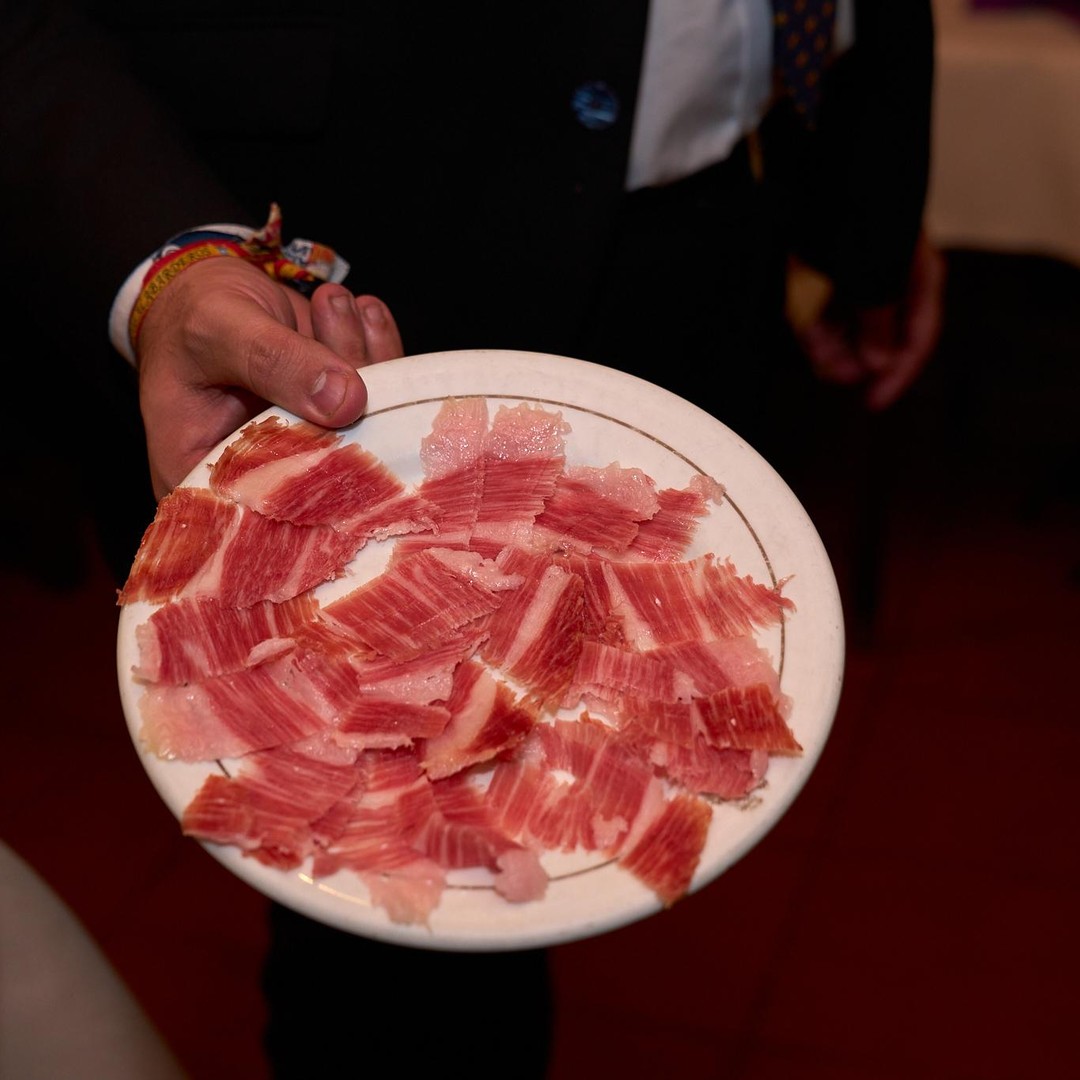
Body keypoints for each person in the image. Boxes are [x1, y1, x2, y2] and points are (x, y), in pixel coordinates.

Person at [1, 1, 942, 1075]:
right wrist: (170, 261)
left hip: (718, 231)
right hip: (353, 236)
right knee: (402, 973)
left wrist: (868, 216)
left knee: (614, 720)